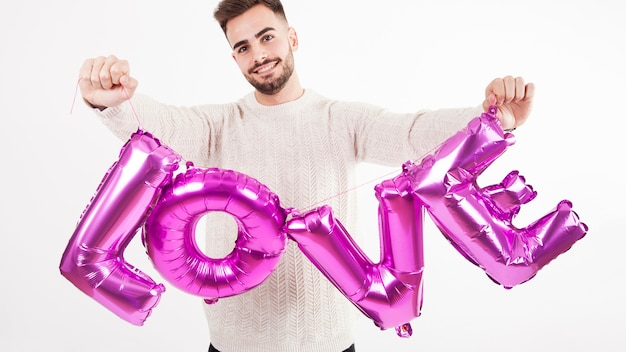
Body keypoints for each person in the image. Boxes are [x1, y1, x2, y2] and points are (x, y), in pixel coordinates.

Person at [78, 1, 534, 351]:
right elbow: (162, 124)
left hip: (330, 344)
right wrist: (109, 102)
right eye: (242, 47)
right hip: (235, 346)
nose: (258, 54)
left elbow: (413, 133)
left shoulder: (342, 120)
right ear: (234, 59)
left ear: (292, 37)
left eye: (267, 37)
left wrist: (494, 119)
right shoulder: (217, 125)